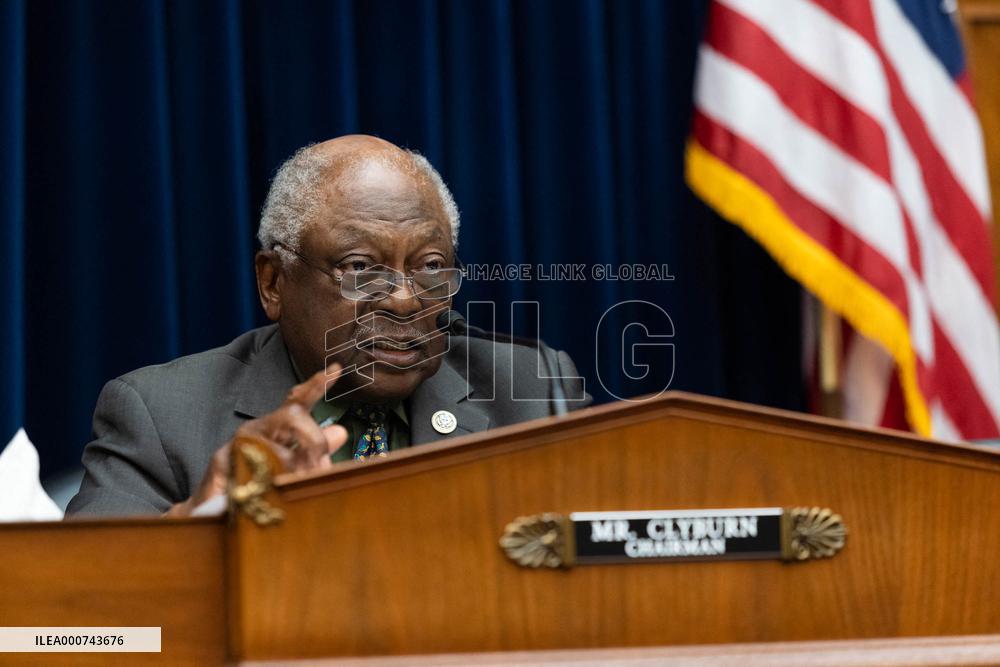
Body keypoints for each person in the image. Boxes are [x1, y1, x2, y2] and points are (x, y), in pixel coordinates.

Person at [66, 135, 589, 517]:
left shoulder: (535, 394)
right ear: (274, 282)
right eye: (360, 268)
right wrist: (197, 524)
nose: (405, 301)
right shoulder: (162, 416)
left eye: (431, 267)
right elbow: (68, 635)